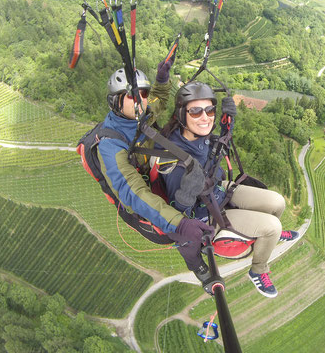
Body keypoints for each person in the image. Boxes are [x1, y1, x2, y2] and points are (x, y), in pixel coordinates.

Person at [157, 81, 299, 298]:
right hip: (207, 214)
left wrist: (227, 125)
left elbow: (217, 146)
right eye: (195, 111)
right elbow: (179, 217)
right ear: (181, 114)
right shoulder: (176, 161)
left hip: (219, 190)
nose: (205, 117)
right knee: (272, 226)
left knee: (277, 201)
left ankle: (270, 238)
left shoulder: (196, 135)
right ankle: (258, 269)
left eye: (209, 110)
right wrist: (187, 193)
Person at [96, 61, 214, 275]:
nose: (141, 99)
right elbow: (133, 192)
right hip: (148, 195)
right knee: (183, 229)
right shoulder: (110, 146)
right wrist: (179, 223)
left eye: (143, 93)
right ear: (115, 101)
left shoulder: (142, 113)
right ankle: (195, 263)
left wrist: (161, 79)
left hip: (157, 173)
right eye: (132, 95)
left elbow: (159, 98)